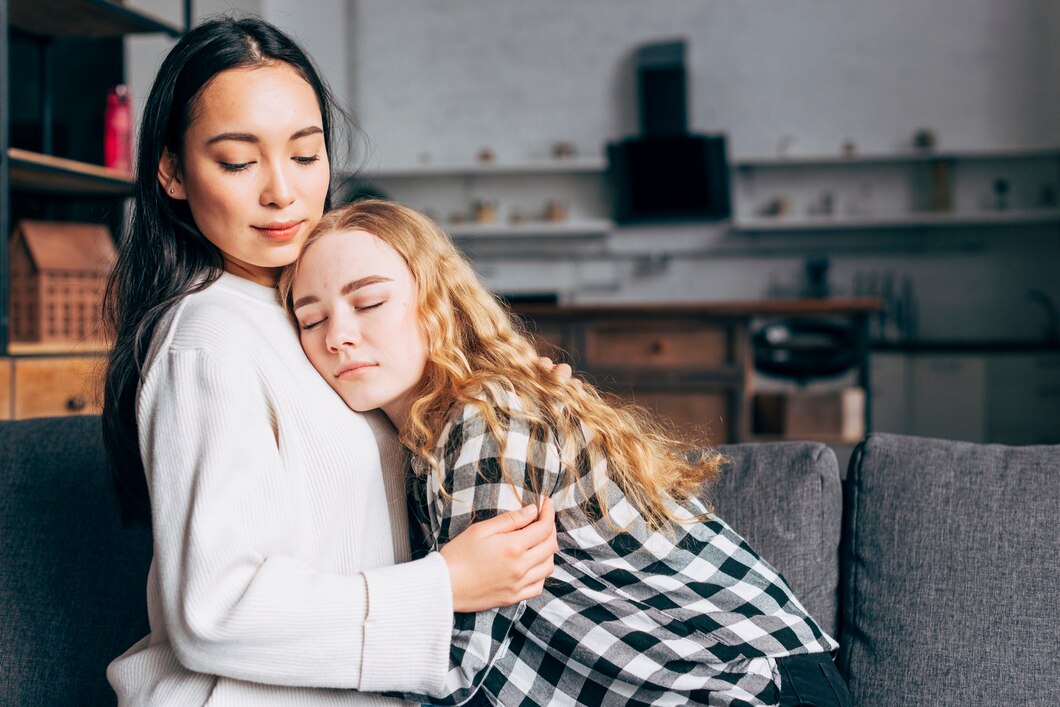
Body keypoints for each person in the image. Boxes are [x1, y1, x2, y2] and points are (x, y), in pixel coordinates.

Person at [101, 16, 558, 706]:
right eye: (236, 161)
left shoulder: (309, 312)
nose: (282, 191)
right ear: (171, 170)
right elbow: (212, 612)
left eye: (306, 155)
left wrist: (517, 397)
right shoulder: (209, 336)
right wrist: (445, 585)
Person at [281, 199, 853, 707]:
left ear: (437, 304)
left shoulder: (485, 417)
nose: (337, 335)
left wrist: (272, 638)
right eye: (311, 319)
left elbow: (458, 667)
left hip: (752, 685)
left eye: (370, 303)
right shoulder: (423, 446)